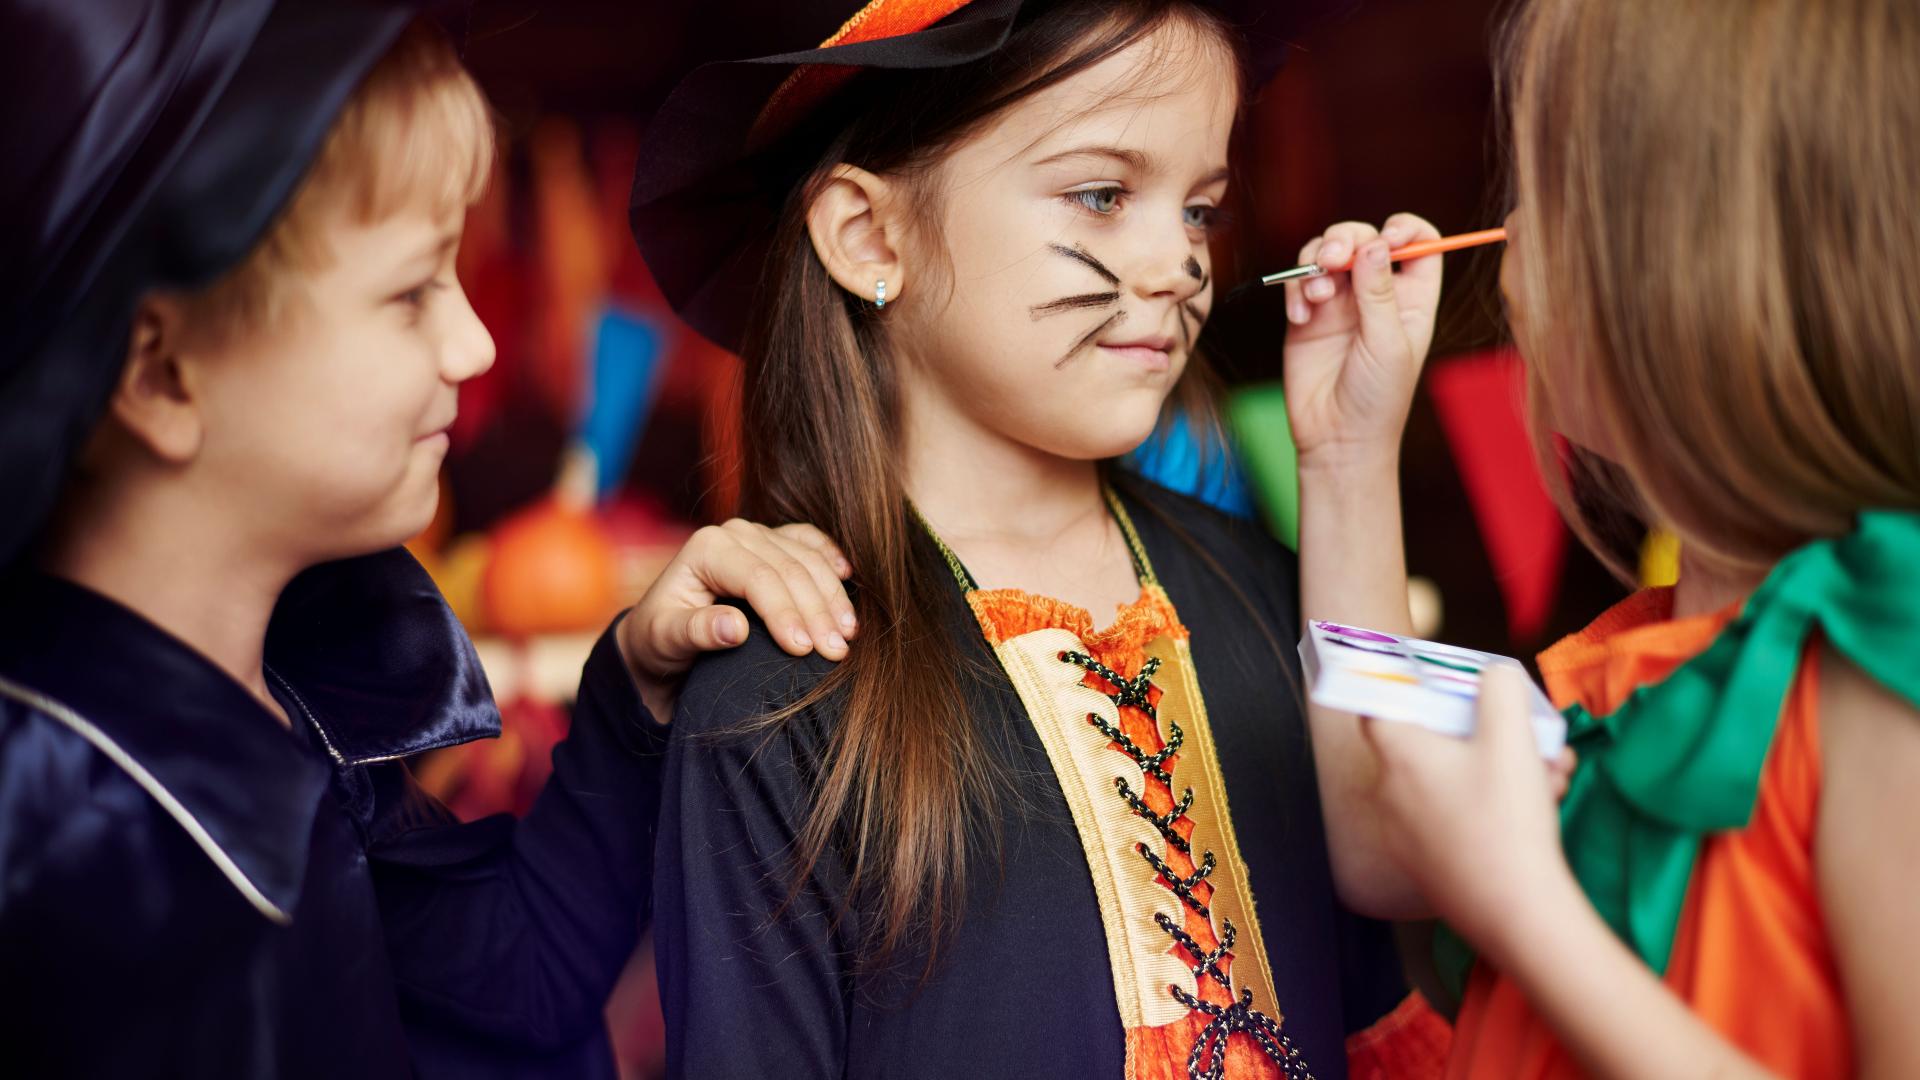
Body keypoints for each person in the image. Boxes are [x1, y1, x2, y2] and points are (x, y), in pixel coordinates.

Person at [0, 5, 855, 1076]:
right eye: (411, 292)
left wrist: (634, 688)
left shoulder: (296, 695)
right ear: (163, 374)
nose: (475, 341)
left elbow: (515, 988)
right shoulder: (61, 840)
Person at [629, 1, 1463, 1076]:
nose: (1173, 262)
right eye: (1103, 194)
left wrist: (1350, 464)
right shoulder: (775, 692)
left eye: (1199, 209)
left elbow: (1413, 866)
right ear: (870, 237)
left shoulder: (1262, 584)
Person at [1300, 0, 1920, 1076]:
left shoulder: (1884, 655)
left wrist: (1525, 911)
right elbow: (1378, 837)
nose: (1509, 235)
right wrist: (1348, 458)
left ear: (1699, 266)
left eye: (1543, 194)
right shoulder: (1630, 663)